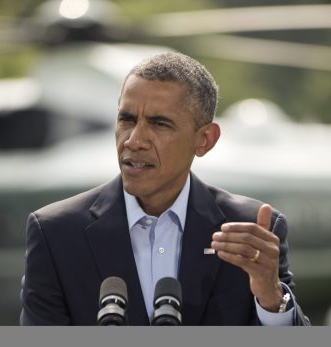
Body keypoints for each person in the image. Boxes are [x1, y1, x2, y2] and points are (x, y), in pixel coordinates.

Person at [20, 52, 309, 325]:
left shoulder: (254, 231)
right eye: (127, 119)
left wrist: (271, 297)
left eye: (159, 124)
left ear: (205, 140)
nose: (134, 140)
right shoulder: (55, 234)